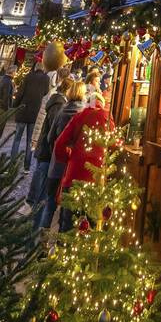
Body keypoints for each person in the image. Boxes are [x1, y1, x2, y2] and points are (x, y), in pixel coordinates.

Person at [50, 90, 114, 232]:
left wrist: (69, 158)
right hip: (96, 178)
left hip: (74, 176)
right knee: (91, 226)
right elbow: (114, 144)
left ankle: (62, 250)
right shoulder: (107, 118)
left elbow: (60, 143)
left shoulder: (80, 116)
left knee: (67, 225)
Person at [37, 81, 87, 231]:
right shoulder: (83, 115)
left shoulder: (62, 111)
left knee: (50, 203)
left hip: (57, 165)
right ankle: (60, 243)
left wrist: (57, 154)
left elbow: (51, 137)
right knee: (68, 210)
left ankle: (42, 241)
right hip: (73, 169)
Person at [27, 77, 71, 216]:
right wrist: (55, 150)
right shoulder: (59, 105)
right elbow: (53, 130)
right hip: (47, 150)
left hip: (45, 148)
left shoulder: (56, 101)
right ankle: (35, 218)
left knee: (39, 176)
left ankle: (32, 203)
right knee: (43, 183)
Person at [8, 64, 50, 171]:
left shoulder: (28, 76)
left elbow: (21, 92)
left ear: (35, 68)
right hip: (35, 113)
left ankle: (12, 164)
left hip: (23, 110)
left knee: (17, 139)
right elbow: (46, 92)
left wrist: (15, 105)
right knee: (30, 141)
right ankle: (27, 166)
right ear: (43, 68)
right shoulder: (46, 78)